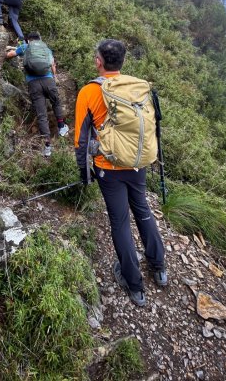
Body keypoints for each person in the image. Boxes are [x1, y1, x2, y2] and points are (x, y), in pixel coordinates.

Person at [74, 39, 167, 307]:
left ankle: (134, 284)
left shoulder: (89, 92)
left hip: (109, 167)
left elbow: (81, 140)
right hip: (139, 163)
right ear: (122, 62)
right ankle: (159, 268)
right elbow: (154, 126)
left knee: (120, 221)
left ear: (98, 61)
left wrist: (85, 173)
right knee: (143, 210)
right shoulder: (138, 88)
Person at [6, 32, 69, 157]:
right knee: (56, 102)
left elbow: (10, 55)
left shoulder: (25, 47)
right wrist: (54, 77)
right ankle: (61, 126)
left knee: (42, 114)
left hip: (33, 83)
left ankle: (47, 147)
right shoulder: (45, 48)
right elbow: (52, 65)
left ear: (28, 40)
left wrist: (3, 52)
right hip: (48, 80)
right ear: (39, 39)